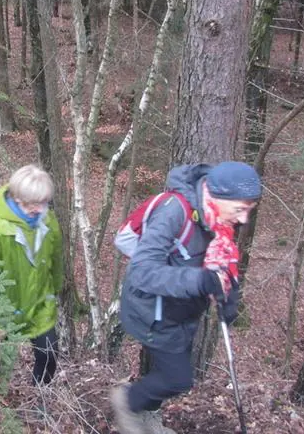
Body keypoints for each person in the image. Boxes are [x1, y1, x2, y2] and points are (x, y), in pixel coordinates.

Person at [111, 161, 261, 434]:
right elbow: (142, 272)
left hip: (183, 311)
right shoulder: (174, 212)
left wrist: (230, 300)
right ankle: (127, 401)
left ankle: (148, 414)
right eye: (240, 209)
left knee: (170, 373)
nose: (244, 219)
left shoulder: (219, 221)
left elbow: (223, 265)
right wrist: (201, 281)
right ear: (217, 197)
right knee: (177, 378)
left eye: (249, 210)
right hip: (152, 311)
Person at [0, 164, 63, 385]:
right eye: (32, 204)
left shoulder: (48, 221)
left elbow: (55, 259)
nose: (38, 209)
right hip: (5, 308)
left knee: (49, 355)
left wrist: (55, 289)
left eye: (43, 202)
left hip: (40, 303)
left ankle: (39, 397)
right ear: (17, 198)